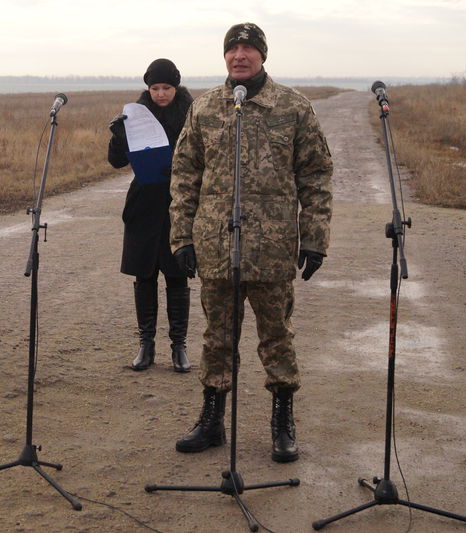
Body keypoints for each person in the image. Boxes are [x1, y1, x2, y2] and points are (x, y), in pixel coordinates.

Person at [169, 23, 332, 462]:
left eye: (248, 48)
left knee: (276, 336)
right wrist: (181, 236)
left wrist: (315, 237)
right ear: (225, 56)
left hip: (273, 247)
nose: (240, 55)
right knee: (217, 336)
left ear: (262, 55)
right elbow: (185, 175)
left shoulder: (293, 107)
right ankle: (211, 419)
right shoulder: (204, 108)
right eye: (233, 48)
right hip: (217, 245)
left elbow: (315, 175)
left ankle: (282, 421)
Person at [108, 59, 194, 373]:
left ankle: (179, 346)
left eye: (166, 88)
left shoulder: (192, 114)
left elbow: (204, 157)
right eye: (155, 88)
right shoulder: (134, 115)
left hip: (179, 205)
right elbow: (116, 162)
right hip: (143, 205)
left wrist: (180, 167)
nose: (160, 93)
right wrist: (118, 136)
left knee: (176, 275)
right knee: (144, 275)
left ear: (176, 87)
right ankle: (146, 344)